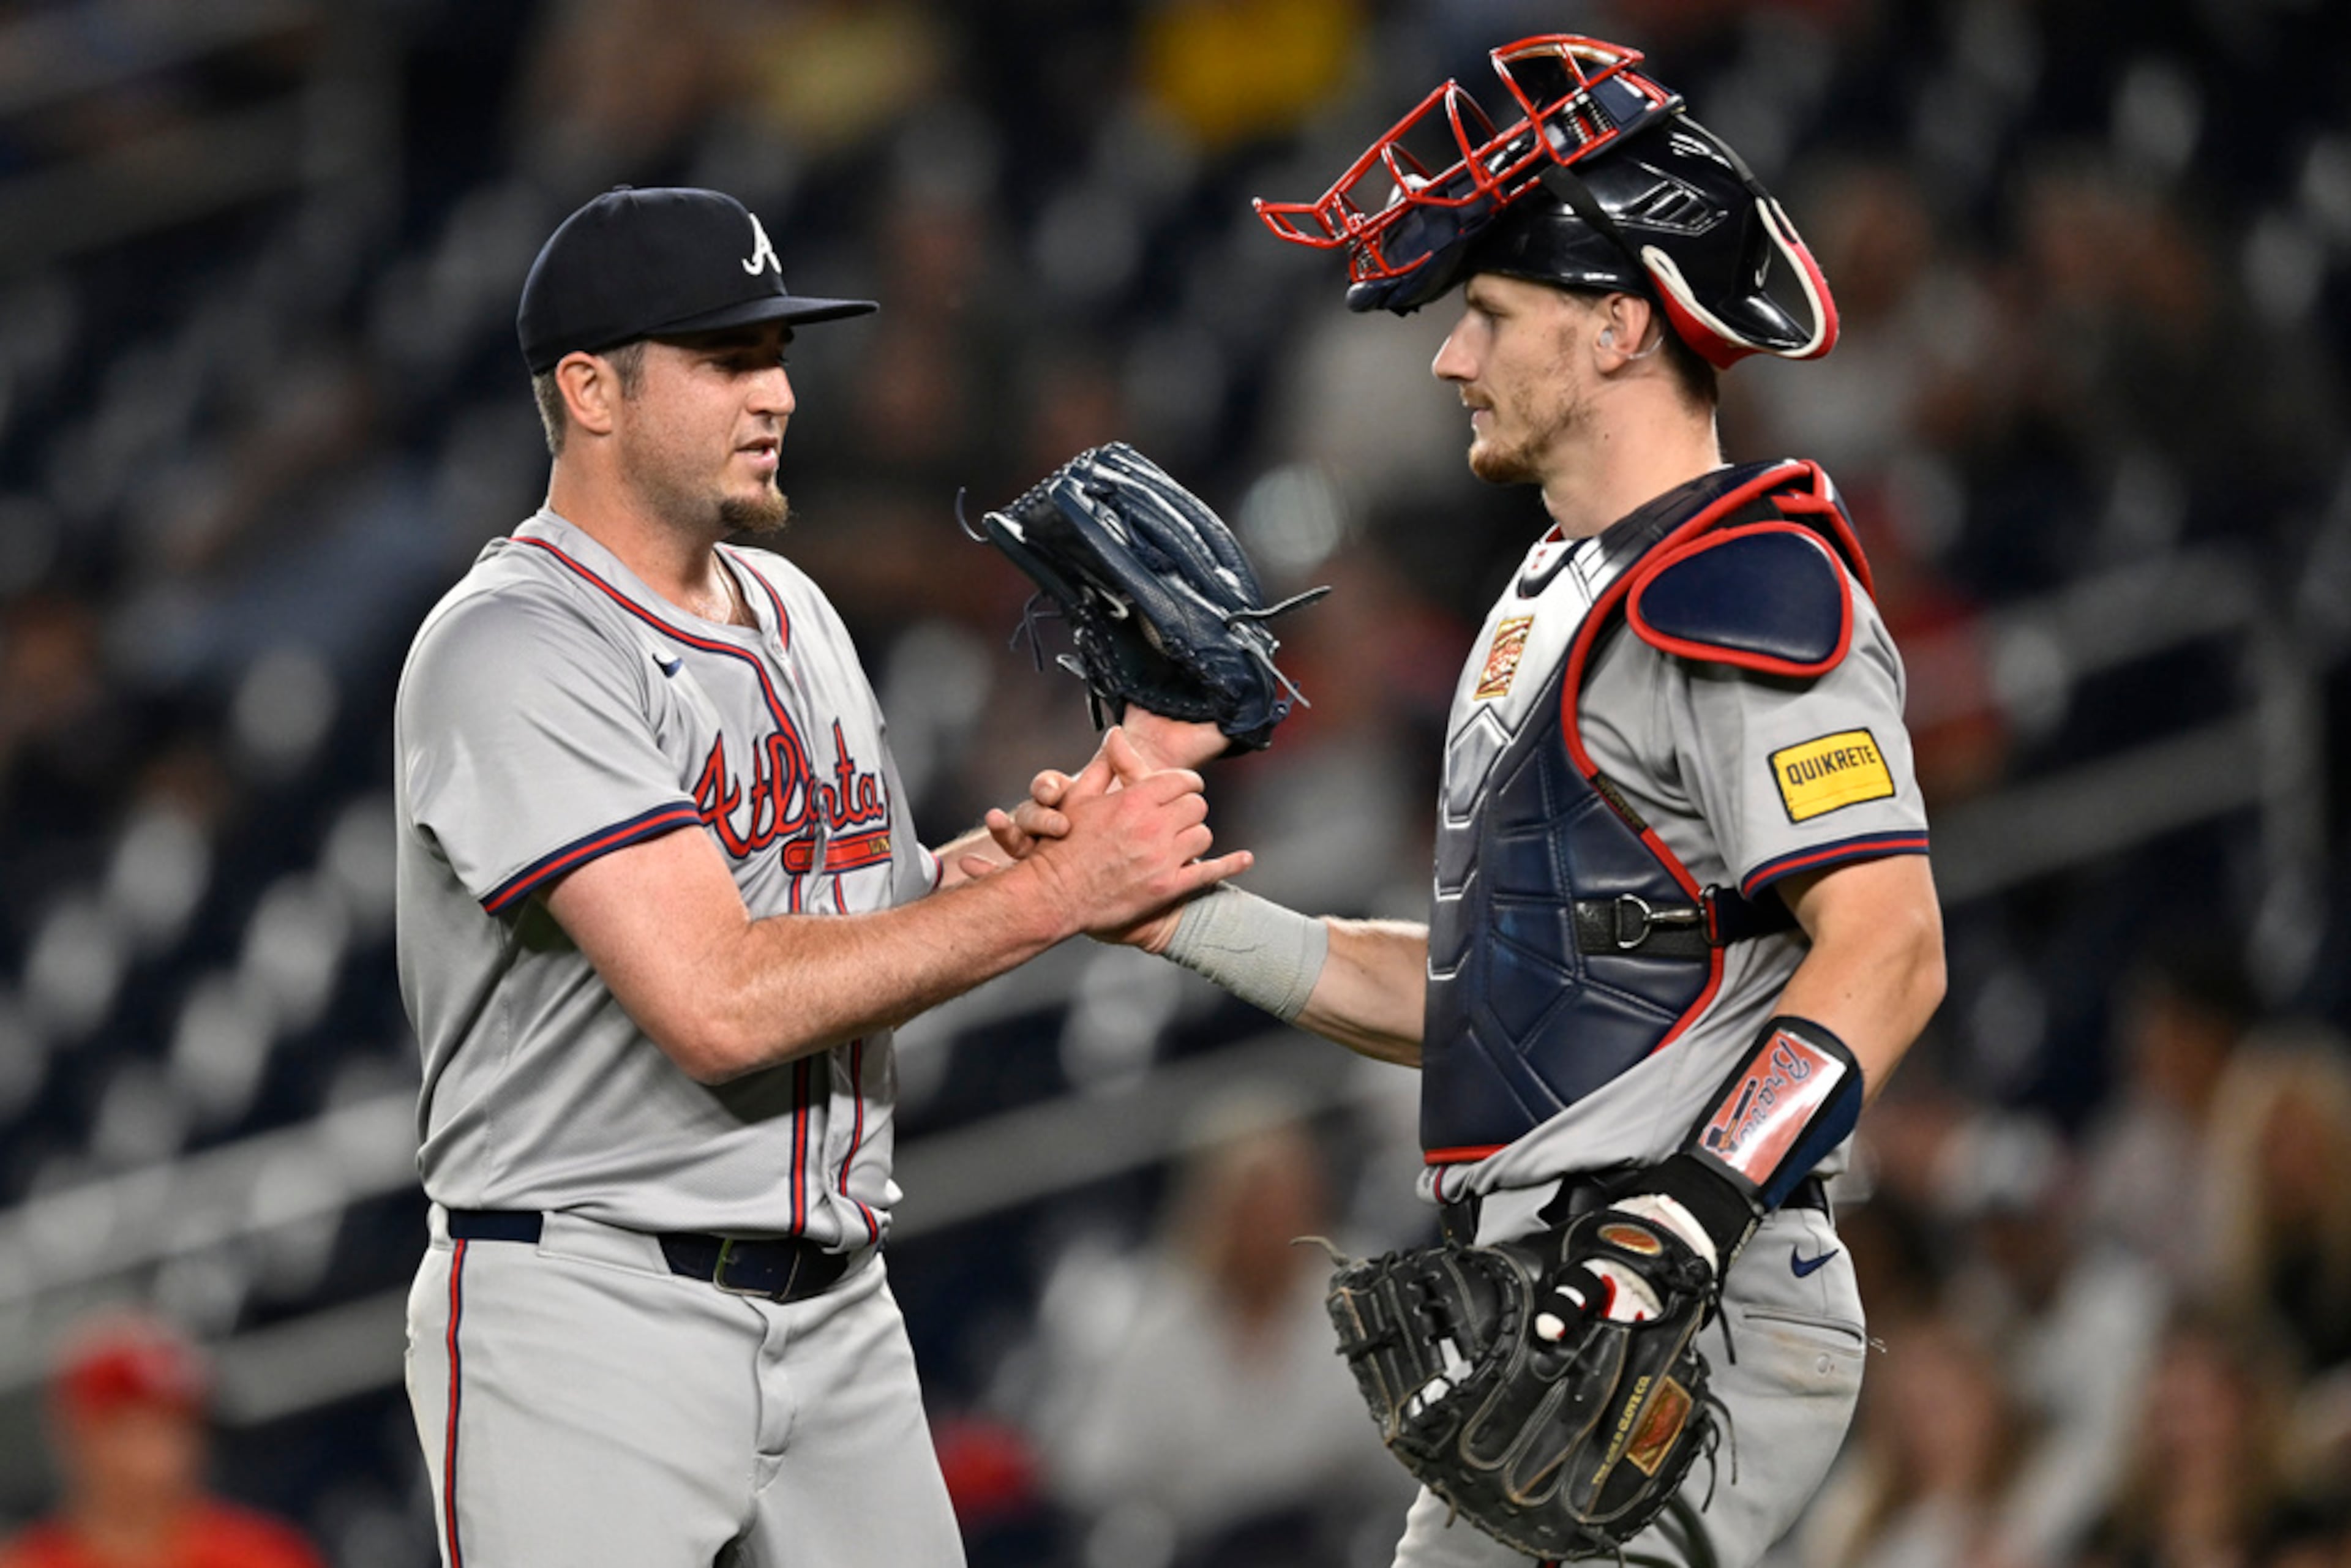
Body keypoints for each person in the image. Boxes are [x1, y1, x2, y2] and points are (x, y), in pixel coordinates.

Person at [1001, 35, 1944, 1568]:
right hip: (1567, 1307)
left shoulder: (1743, 583)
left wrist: (1686, 1213)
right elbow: (1490, 998)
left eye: (1489, 316)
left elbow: (1889, 945)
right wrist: (1170, 913)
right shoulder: (1551, 596)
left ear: (1619, 327)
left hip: (1678, 1303)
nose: (1448, 356)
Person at [392, 185, 1247, 1567]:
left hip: (840, 1304)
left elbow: (865, 934)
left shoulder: (794, 608)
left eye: (780, 354)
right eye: (727, 359)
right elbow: (720, 998)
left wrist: (1033, 849)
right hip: (591, 1310)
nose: (777, 392)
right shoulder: (511, 646)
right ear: (590, 389)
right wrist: (1051, 892)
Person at [0, 1313, 323, 1568]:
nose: (160, 1453)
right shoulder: (25, 1563)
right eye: (132, 1428)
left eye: (177, 1425)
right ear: (74, 1434)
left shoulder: (265, 1556)